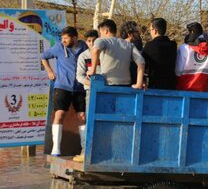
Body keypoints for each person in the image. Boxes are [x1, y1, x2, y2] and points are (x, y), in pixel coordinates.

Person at [41, 26, 88, 156]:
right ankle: (56, 148)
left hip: (79, 87)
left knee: (82, 116)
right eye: (62, 38)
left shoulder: (84, 47)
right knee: (59, 114)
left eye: (66, 38)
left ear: (74, 37)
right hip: (62, 86)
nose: (64, 40)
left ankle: (84, 148)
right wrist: (50, 71)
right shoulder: (58, 47)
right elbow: (43, 57)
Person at [88, 19, 145, 89]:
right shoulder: (129, 45)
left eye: (100, 33)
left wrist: (92, 71)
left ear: (106, 31)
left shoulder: (102, 40)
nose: (100, 35)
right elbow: (141, 62)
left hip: (107, 84)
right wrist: (139, 83)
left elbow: (95, 50)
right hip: (126, 85)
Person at [74, 29, 100, 162]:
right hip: (90, 92)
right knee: (89, 120)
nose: (91, 43)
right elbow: (79, 76)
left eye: (94, 40)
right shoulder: (83, 56)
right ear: (86, 42)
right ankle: (85, 151)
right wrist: (90, 83)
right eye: (89, 41)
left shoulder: (104, 54)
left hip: (104, 92)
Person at [175, 22, 208, 92]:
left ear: (191, 32)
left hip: (184, 88)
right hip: (203, 88)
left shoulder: (184, 47)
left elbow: (178, 70)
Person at [142, 18, 177, 90]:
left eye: (150, 30)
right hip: (171, 85)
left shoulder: (150, 45)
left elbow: (143, 65)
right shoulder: (173, 45)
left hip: (155, 84)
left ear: (155, 31)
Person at [120, 20, 142, 85]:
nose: (139, 34)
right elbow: (141, 63)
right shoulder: (120, 47)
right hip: (126, 82)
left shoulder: (138, 44)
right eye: (137, 32)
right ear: (130, 34)